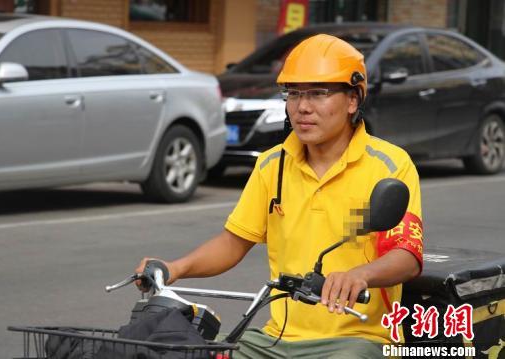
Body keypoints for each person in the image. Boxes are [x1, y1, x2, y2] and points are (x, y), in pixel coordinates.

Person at [135, 34, 424, 358]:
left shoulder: (389, 165)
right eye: (294, 94)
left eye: (318, 93)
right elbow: (233, 242)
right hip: (277, 340)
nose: (302, 107)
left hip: (361, 340)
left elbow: (407, 257)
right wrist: (174, 268)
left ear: (353, 100)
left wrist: (360, 275)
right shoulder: (272, 164)